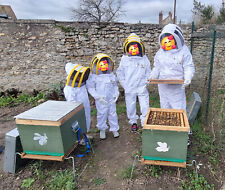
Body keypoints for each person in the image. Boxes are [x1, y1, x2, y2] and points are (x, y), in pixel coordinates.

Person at [150, 24, 195, 109]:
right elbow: (157, 67)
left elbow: (188, 66)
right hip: (163, 87)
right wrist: (153, 76)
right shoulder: (160, 53)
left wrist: (188, 77)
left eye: (169, 41)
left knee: (178, 108)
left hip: (177, 87)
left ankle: (179, 122)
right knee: (164, 108)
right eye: (165, 41)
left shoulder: (184, 51)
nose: (167, 44)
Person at [116, 33, 151, 132]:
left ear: (140, 48)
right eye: (131, 48)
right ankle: (133, 122)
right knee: (130, 105)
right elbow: (120, 72)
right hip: (130, 87)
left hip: (141, 86)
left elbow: (148, 72)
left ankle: (145, 122)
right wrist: (125, 85)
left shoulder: (144, 59)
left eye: (135, 48)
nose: (134, 50)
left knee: (145, 104)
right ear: (127, 48)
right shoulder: (124, 59)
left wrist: (146, 82)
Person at [86, 53, 120, 139]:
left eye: (105, 64)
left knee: (112, 113)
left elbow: (115, 85)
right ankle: (102, 129)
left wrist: (116, 93)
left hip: (111, 98)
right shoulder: (94, 77)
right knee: (102, 113)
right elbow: (90, 88)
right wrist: (97, 97)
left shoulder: (111, 75)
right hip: (101, 99)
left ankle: (114, 129)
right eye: (101, 65)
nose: (104, 66)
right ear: (96, 66)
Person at [63, 62, 91, 133]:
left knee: (87, 118)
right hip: (77, 109)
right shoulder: (69, 89)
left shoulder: (82, 84)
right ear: (73, 75)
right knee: (78, 121)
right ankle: (80, 138)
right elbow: (71, 103)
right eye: (78, 75)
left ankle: (86, 134)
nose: (80, 76)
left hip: (85, 106)